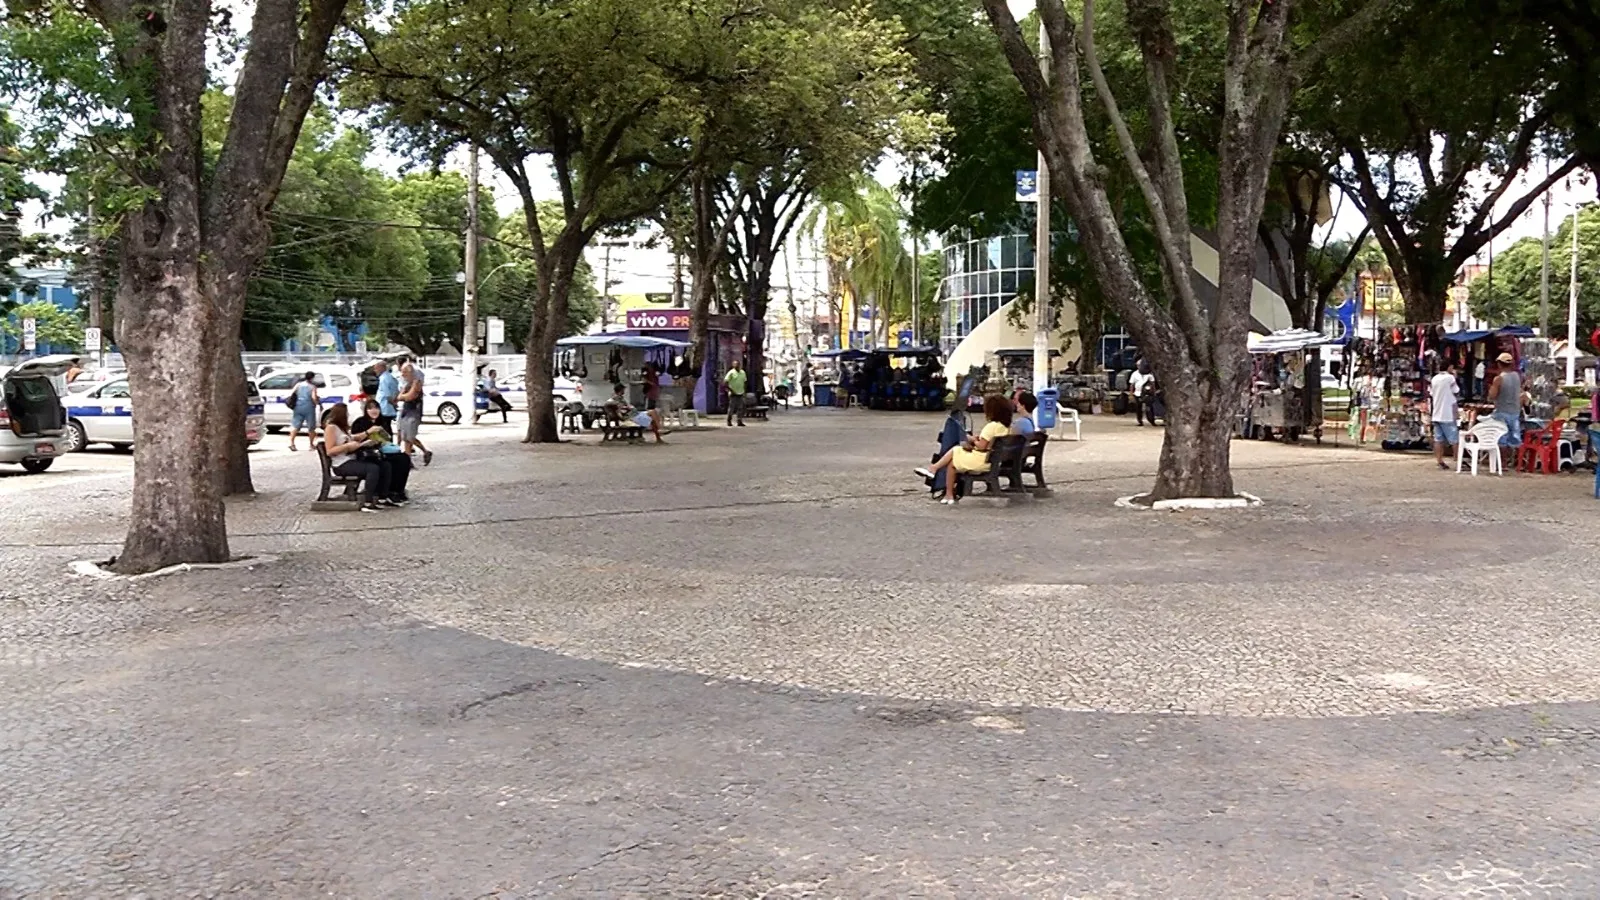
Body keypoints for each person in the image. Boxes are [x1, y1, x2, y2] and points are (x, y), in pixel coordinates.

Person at [915, 394, 1013, 505]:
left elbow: (981, 446)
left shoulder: (991, 427)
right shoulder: (1005, 427)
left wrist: (972, 439)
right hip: (993, 460)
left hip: (982, 461)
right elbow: (990, 444)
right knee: (953, 460)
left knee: (955, 451)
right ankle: (946, 489)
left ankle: (939, 478)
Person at [322, 402, 390, 512]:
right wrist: (347, 446)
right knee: (372, 469)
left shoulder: (342, 428)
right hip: (341, 463)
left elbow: (354, 437)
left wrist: (367, 435)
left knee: (383, 465)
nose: (348, 416)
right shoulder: (331, 428)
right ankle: (368, 501)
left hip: (351, 459)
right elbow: (330, 451)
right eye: (346, 414)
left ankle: (382, 496)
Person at [351, 399, 413, 505]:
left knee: (404, 459)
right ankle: (386, 491)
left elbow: (389, 439)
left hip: (383, 449)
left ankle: (397, 490)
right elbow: (354, 439)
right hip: (368, 452)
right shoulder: (360, 422)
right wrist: (369, 434)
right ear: (366, 410)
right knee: (387, 464)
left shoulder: (383, 421)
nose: (374, 411)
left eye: (376, 408)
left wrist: (383, 438)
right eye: (370, 408)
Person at [1488, 351, 1522, 469]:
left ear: (1499, 364)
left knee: (1502, 438)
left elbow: (1492, 395)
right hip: (1515, 410)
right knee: (1514, 438)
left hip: (1502, 410)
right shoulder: (1517, 376)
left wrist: (1491, 388)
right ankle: (1517, 462)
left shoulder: (1499, 379)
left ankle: (1503, 463)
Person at [396, 361, 433, 466]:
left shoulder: (417, 383)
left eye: (405, 372)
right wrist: (403, 396)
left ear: (410, 372)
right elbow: (400, 396)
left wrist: (403, 396)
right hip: (406, 411)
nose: (402, 375)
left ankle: (408, 461)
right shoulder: (407, 384)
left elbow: (409, 396)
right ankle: (424, 453)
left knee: (409, 437)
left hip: (414, 412)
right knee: (405, 437)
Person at [1430, 360, 1460, 470]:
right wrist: (1455, 377)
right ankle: (1457, 459)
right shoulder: (1450, 378)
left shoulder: (1434, 379)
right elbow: (1456, 390)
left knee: (1438, 439)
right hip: (1447, 413)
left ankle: (1439, 460)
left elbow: (1432, 393)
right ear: (1449, 367)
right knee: (1454, 439)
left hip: (1436, 412)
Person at [287, 371, 320, 451]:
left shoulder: (298, 385)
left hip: (298, 407)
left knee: (295, 426)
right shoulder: (312, 387)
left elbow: (292, 393)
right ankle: (311, 445)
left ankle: (291, 443)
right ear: (312, 378)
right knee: (311, 427)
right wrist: (317, 404)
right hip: (309, 407)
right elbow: (313, 397)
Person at [1129, 360, 1155, 426]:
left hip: (1147, 393)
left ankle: (1151, 420)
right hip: (1137, 393)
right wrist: (1131, 394)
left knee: (1149, 407)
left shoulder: (1149, 374)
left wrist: (1153, 392)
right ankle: (1140, 421)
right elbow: (1132, 384)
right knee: (1138, 408)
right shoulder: (1134, 374)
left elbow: (1152, 383)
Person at [724, 359, 747, 426]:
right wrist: (730, 390)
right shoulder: (731, 373)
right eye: (735, 364)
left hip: (740, 392)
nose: (737, 366)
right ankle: (729, 421)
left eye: (738, 364)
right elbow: (725, 382)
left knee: (740, 408)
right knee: (731, 408)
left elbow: (745, 382)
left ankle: (739, 421)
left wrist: (744, 390)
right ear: (733, 365)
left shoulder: (743, 372)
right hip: (733, 393)